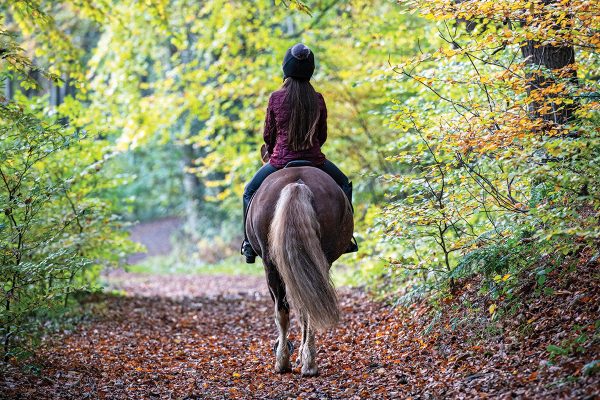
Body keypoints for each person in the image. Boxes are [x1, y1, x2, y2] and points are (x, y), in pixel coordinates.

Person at [241, 43, 358, 263]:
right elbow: (322, 136)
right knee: (343, 184)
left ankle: (248, 244)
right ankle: (346, 237)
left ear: (286, 68)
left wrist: (275, 148)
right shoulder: (318, 98)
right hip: (315, 160)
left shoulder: (276, 98)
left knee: (249, 191)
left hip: (279, 161)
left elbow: (269, 134)